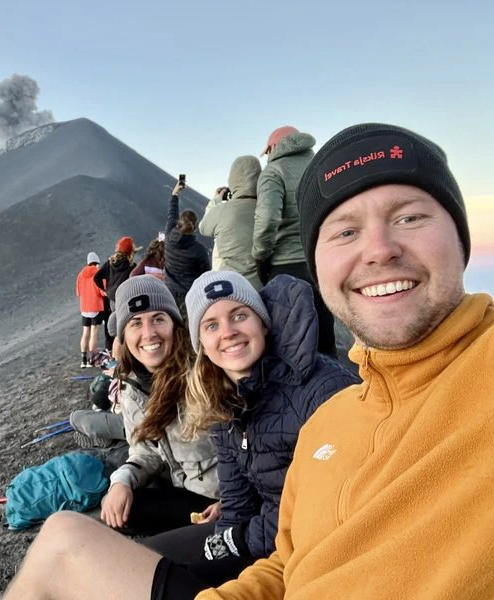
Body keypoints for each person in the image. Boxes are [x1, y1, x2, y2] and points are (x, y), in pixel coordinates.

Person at [193, 122, 494, 599]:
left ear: (461, 237)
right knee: (67, 543)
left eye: (410, 217)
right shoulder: (327, 425)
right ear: (318, 266)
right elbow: (289, 564)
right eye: (346, 231)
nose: (378, 250)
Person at [0, 271, 356, 600]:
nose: (227, 333)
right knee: (102, 532)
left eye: (240, 315)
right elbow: (159, 454)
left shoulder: (224, 383)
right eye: (211, 325)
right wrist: (126, 481)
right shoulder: (216, 388)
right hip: (246, 525)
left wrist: (229, 535)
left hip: (277, 542)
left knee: (85, 545)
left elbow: (316, 511)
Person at [99, 275, 219, 536]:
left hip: (222, 499)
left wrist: (233, 500)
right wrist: (122, 483)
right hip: (188, 496)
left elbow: (246, 447)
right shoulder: (132, 386)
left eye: (158, 319)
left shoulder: (206, 371)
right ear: (123, 335)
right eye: (135, 323)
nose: (149, 333)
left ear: (174, 324)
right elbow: (144, 451)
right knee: (118, 511)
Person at [254, 125, 336, 356]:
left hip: (286, 265)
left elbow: (268, 218)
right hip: (321, 260)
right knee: (325, 338)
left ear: (273, 147)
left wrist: (261, 256)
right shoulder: (321, 165)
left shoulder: (273, 171)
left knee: (290, 343)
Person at [199, 156, 263, 290]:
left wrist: (215, 201)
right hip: (261, 285)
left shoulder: (222, 210)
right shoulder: (267, 208)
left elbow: (203, 228)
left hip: (230, 286)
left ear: (233, 180)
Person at [165, 182, 211, 318]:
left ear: (179, 222)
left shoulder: (168, 234)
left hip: (168, 292)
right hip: (189, 296)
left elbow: (171, 213)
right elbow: (206, 275)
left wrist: (175, 194)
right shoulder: (199, 250)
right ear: (194, 227)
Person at [94, 236, 137, 351]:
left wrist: (104, 290)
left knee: (115, 326)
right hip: (124, 298)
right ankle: (126, 351)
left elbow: (96, 277)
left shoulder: (109, 263)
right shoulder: (132, 266)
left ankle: (113, 351)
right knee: (125, 325)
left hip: (112, 299)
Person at [75, 251, 105, 367]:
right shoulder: (98, 273)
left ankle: (83, 361)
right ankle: (92, 360)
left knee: (85, 333)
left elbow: (78, 292)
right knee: (94, 332)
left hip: (84, 308)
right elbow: (102, 291)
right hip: (96, 307)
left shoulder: (80, 275)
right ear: (97, 262)